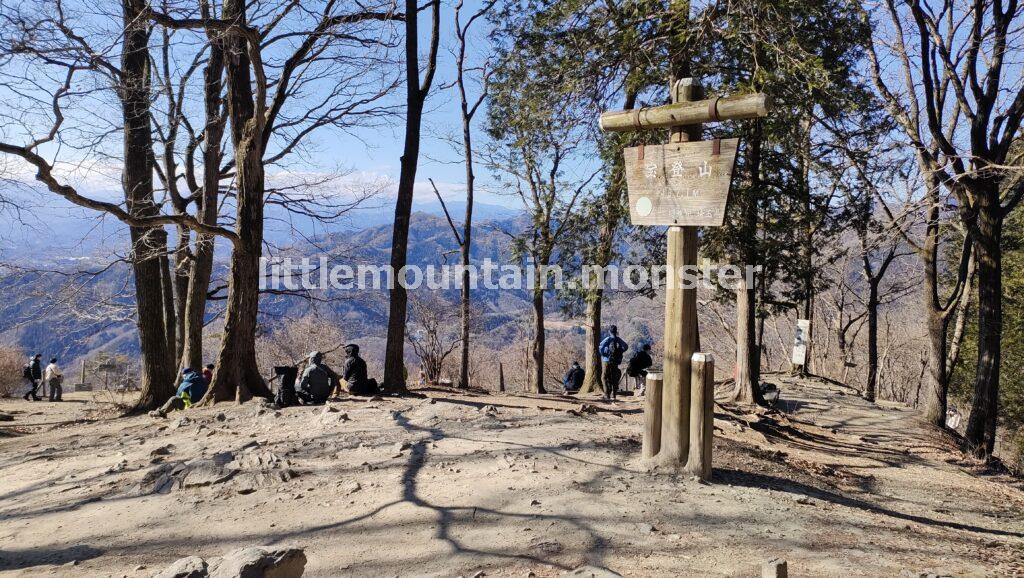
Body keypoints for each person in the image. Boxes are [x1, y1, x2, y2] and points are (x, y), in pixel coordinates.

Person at [599, 325, 628, 401]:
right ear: (616, 331)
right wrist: (620, 351)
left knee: (604, 377)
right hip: (615, 361)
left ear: (609, 331)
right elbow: (626, 346)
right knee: (614, 377)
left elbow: (600, 347)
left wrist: (603, 354)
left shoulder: (608, 339)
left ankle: (606, 394)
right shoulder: (618, 339)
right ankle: (614, 395)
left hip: (606, 360)